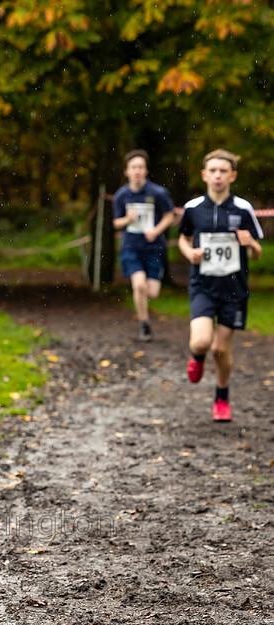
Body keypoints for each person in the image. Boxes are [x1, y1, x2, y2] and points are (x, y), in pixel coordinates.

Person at [178, 149, 262, 422]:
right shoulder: (192, 209)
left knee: (220, 349)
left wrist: (250, 245)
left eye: (223, 171)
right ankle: (196, 356)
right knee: (202, 342)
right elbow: (183, 239)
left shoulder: (243, 209)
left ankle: (221, 398)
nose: (217, 175)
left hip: (234, 289)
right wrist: (189, 253)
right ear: (204, 175)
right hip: (202, 284)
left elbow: (257, 251)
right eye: (212, 170)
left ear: (232, 176)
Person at [112, 150, 176, 341]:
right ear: (126, 171)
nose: (137, 171)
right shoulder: (121, 195)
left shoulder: (158, 193)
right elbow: (116, 223)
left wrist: (156, 231)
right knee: (139, 285)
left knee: (153, 292)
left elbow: (169, 216)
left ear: (146, 170)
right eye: (134, 167)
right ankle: (144, 324)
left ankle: (144, 315)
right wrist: (127, 219)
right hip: (131, 246)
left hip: (154, 247)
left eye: (140, 167)